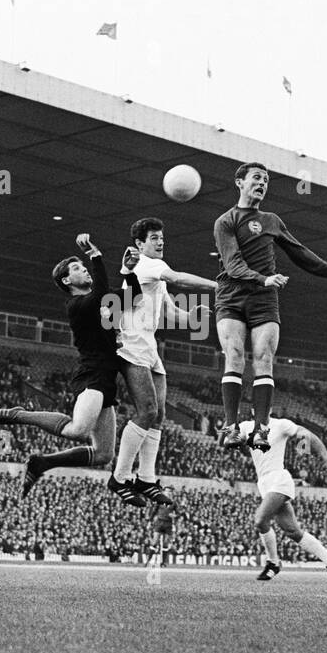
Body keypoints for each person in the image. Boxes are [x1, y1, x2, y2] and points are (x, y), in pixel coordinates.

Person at [0, 234, 142, 497]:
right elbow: (101, 294)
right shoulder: (77, 305)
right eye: (78, 268)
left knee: (103, 454)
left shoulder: (99, 300)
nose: (85, 270)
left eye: (84, 266)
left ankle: (43, 462)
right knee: (78, 429)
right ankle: (19, 415)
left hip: (106, 377)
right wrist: (96, 256)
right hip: (92, 374)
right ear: (67, 281)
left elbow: (133, 296)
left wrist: (129, 271)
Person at [213, 161, 327, 452]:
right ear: (239, 182)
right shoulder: (225, 221)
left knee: (264, 357)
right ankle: (231, 427)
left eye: (266, 180)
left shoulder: (271, 220)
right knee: (235, 355)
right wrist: (263, 278)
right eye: (256, 178)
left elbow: (299, 251)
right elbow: (233, 264)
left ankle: (262, 428)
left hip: (264, 299)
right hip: (232, 295)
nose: (262, 183)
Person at [109, 216, 216, 508]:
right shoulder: (148, 265)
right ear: (140, 244)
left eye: (162, 238)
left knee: (158, 415)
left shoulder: (155, 272)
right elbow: (179, 278)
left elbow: (168, 313)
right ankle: (119, 477)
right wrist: (217, 286)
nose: (160, 242)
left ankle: (146, 478)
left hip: (149, 345)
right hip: (131, 344)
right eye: (154, 238)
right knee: (147, 410)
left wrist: (193, 317)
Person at [235, 415, 327, 583]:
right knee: (292, 531)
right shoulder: (245, 426)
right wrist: (228, 425)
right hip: (264, 482)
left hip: (279, 479)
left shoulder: (280, 424)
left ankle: (273, 562)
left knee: (260, 520)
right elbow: (229, 440)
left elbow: (308, 435)